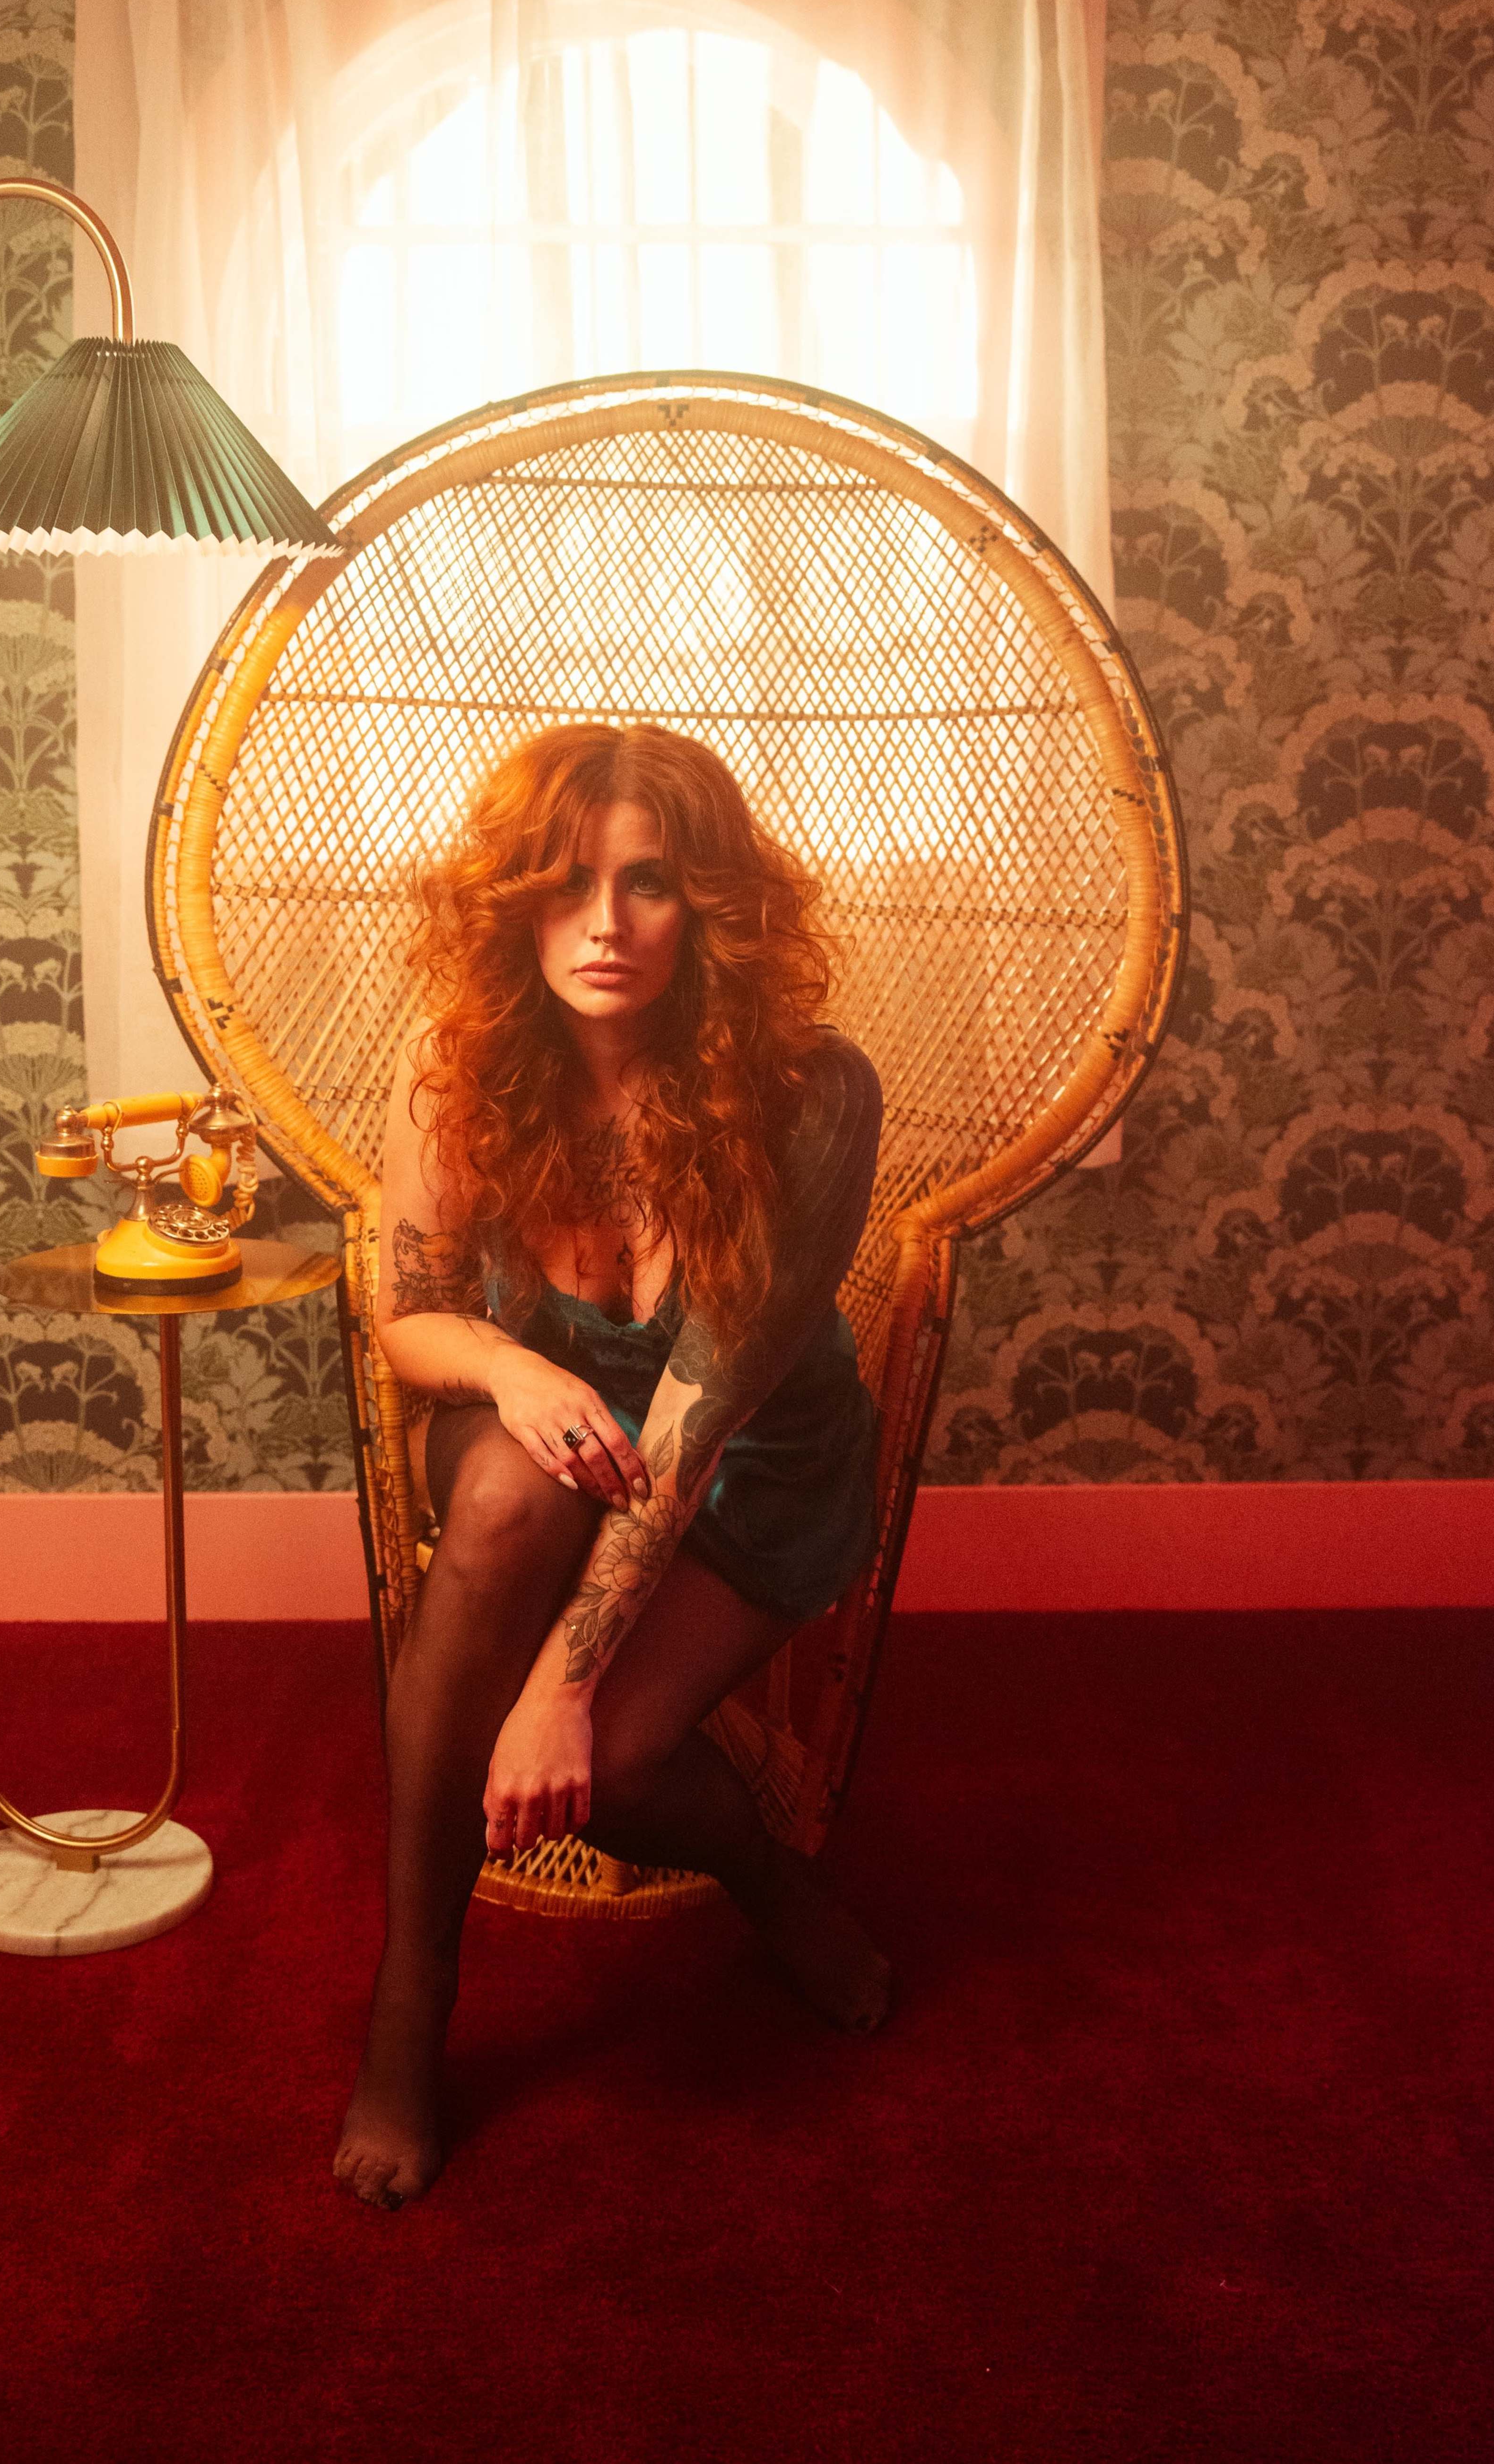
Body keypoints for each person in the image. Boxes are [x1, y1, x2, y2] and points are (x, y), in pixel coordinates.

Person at [333, 721, 890, 2210]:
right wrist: (515, 1365)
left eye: (650, 883)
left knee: (623, 1760)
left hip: (753, 1460)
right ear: (511, 896)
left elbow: (699, 1427)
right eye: (564, 881)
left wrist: (558, 1690)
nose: (602, 924)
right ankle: (412, 1993)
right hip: (560, 1422)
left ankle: (770, 1884)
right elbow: (410, 1317)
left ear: (715, 905)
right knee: (510, 1485)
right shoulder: (462, 1061)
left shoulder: (816, 1096)